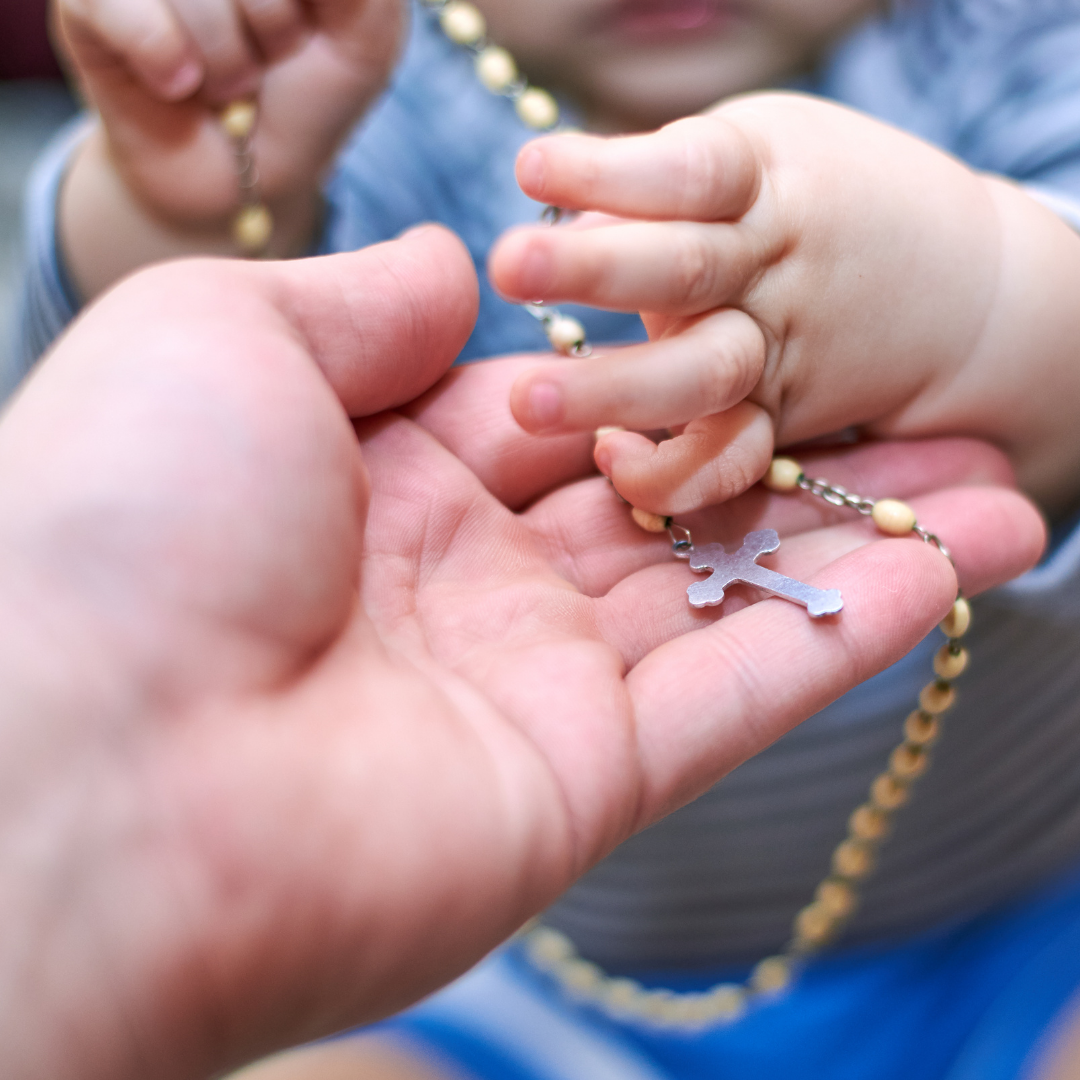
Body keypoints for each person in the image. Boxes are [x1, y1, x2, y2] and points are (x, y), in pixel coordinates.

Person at [16, 0, 1080, 1077]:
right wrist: (188, 202)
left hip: (1030, 924)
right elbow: (148, 440)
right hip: (519, 979)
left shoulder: (1007, 38)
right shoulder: (366, 88)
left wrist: (1001, 292)